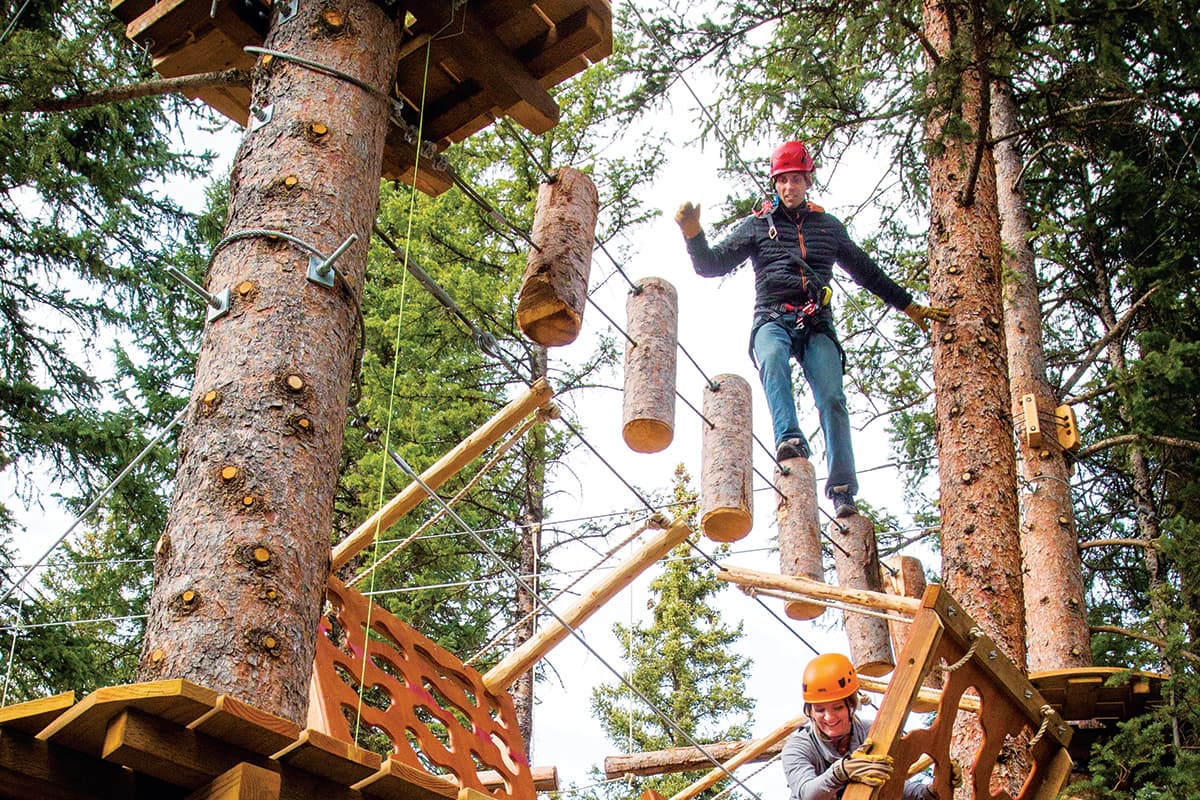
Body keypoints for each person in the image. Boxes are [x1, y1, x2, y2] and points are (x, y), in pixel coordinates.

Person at [676, 141, 948, 517]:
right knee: (771, 357)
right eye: (782, 181)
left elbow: (866, 272)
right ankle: (789, 440)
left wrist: (907, 305)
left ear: (807, 181)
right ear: (776, 184)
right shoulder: (758, 227)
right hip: (772, 315)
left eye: (795, 181)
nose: (789, 188)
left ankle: (842, 490)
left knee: (833, 399)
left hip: (816, 322)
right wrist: (693, 234)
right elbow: (710, 265)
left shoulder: (828, 228)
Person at [781, 653, 935, 800]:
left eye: (837, 708)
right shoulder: (797, 748)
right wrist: (840, 772)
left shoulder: (871, 733)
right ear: (811, 712)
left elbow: (888, 784)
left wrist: (927, 793)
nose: (829, 717)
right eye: (820, 710)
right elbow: (807, 794)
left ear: (851, 705)